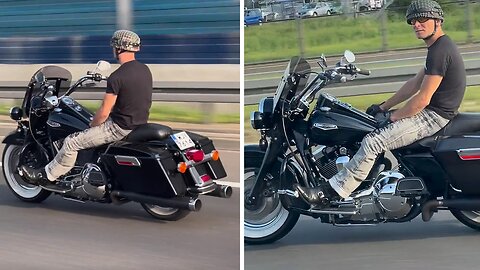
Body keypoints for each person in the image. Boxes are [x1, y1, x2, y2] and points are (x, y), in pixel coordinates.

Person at [295, 0, 466, 205]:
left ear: (438, 21)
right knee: (372, 125)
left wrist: (393, 117)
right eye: (412, 20)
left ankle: (331, 192)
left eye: (422, 19)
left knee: (372, 141)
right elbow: (413, 85)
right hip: (432, 112)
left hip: (433, 116)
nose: (416, 24)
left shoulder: (440, 51)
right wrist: (383, 107)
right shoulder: (438, 48)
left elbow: (422, 99)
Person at [21, 30, 153, 188]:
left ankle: (47, 176)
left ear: (119, 48)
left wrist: (93, 125)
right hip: (139, 123)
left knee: (71, 142)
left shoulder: (117, 76)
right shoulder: (145, 69)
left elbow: (104, 110)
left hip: (119, 127)